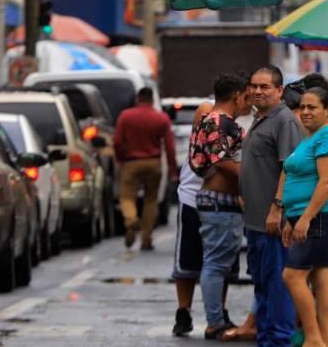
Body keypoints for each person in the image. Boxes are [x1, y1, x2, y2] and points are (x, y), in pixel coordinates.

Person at [173, 97, 246, 338]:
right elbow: (221, 161)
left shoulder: (245, 120)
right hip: (194, 197)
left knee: (221, 263)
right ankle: (184, 311)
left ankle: (218, 314)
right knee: (191, 261)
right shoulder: (211, 112)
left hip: (228, 201)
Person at [281, 88, 328, 347]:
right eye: (303, 107)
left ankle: (313, 339)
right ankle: (325, 342)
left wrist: (306, 217)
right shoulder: (311, 136)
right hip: (308, 217)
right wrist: (291, 217)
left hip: (320, 218)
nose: (306, 112)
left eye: (313, 107)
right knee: (320, 276)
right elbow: (298, 177)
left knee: (292, 276)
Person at [241, 65, 302, 347]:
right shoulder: (259, 118)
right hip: (255, 221)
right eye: (254, 86)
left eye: (264, 87)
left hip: (274, 223)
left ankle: (278, 342)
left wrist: (278, 208)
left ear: (280, 91)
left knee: (278, 288)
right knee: (263, 286)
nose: (257, 91)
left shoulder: (284, 120)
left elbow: (289, 169)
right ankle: (266, 340)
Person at [113, 87, 178, 250]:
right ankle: (146, 239)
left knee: (127, 196)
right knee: (151, 200)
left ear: (138, 99)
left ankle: (131, 219)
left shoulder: (125, 116)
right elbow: (170, 147)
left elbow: (117, 141)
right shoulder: (161, 118)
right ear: (152, 100)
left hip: (131, 162)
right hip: (153, 163)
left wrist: (121, 158)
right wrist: (172, 171)